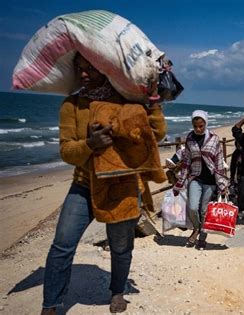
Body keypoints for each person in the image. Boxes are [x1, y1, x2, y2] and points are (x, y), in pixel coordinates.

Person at [41, 53, 167, 314]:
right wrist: (90, 144)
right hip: (83, 184)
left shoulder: (127, 102)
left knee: (121, 247)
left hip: (122, 186)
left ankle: (117, 291)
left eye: (91, 68)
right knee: (62, 245)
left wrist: (153, 103)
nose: (84, 74)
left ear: (106, 69)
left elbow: (155, 134)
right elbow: (66, 152)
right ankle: (51, 304)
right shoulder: (72, 106)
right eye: (80, 69)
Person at [173, 110, 228, 250]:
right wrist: (179, 183)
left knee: (204, 211)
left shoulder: (215, 139)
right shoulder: (190, 138)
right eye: (195, 126)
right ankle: (197, 229)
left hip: (210, 181)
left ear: (205, 124)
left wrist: (222, 185)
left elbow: (219, 163)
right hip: (195, 178)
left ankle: (202, 238)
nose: (198, 129)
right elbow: (186, 162)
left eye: (201, 126)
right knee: (192, 207)